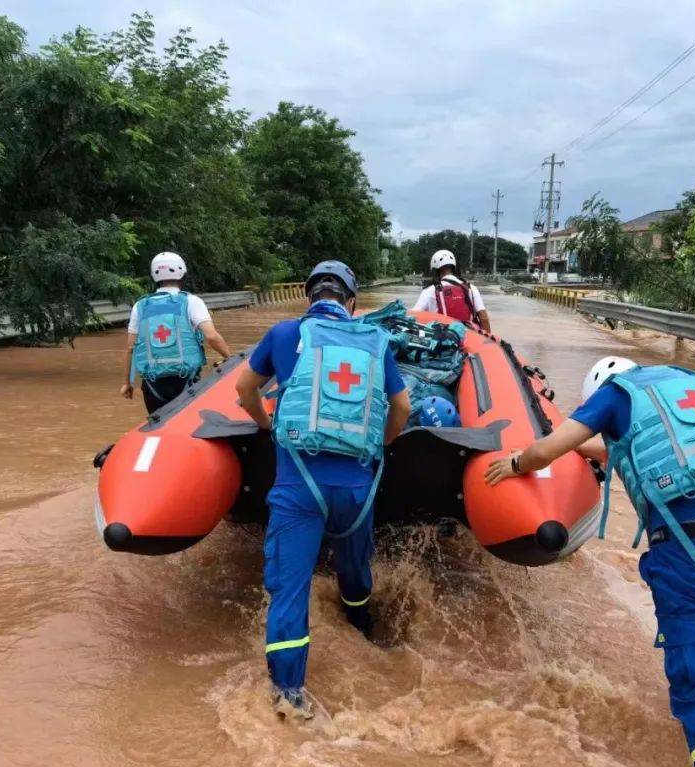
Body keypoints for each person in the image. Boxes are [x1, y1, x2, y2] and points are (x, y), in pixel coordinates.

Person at [486, 357, 695, 767]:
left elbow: (547, 450)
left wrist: (514, 462)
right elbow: (617, 453)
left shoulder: (615, 396)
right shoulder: (684, 388)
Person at [235, 260, 411, 720]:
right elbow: (402, 407)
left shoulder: (283, 334)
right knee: (354, 573)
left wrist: (267, 425)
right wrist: (382, 445)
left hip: (298, 488)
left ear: (308, 298)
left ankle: (288, 695)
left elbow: (243, 388)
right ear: (351, 303)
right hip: (356, 489)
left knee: (289, 592)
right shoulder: (376, 340)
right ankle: (360, 626)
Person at [121, 251, 231, 413]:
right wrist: (230, 358)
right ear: (181, 272)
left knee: (159, 428)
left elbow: (130, 348)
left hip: (152, 386)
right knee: (189, 429)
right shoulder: (191, 301)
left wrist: (127, 383)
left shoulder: (141, 306)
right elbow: (211, 336)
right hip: (188, 382)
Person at [411, 250, 491, 331]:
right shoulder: (471, 288)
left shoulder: (430, 290)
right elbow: (483, 317)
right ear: (453, 268)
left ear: (436, 270)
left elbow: (414, 316)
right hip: (467, 337)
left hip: (442, 339)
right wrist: (489, 339)